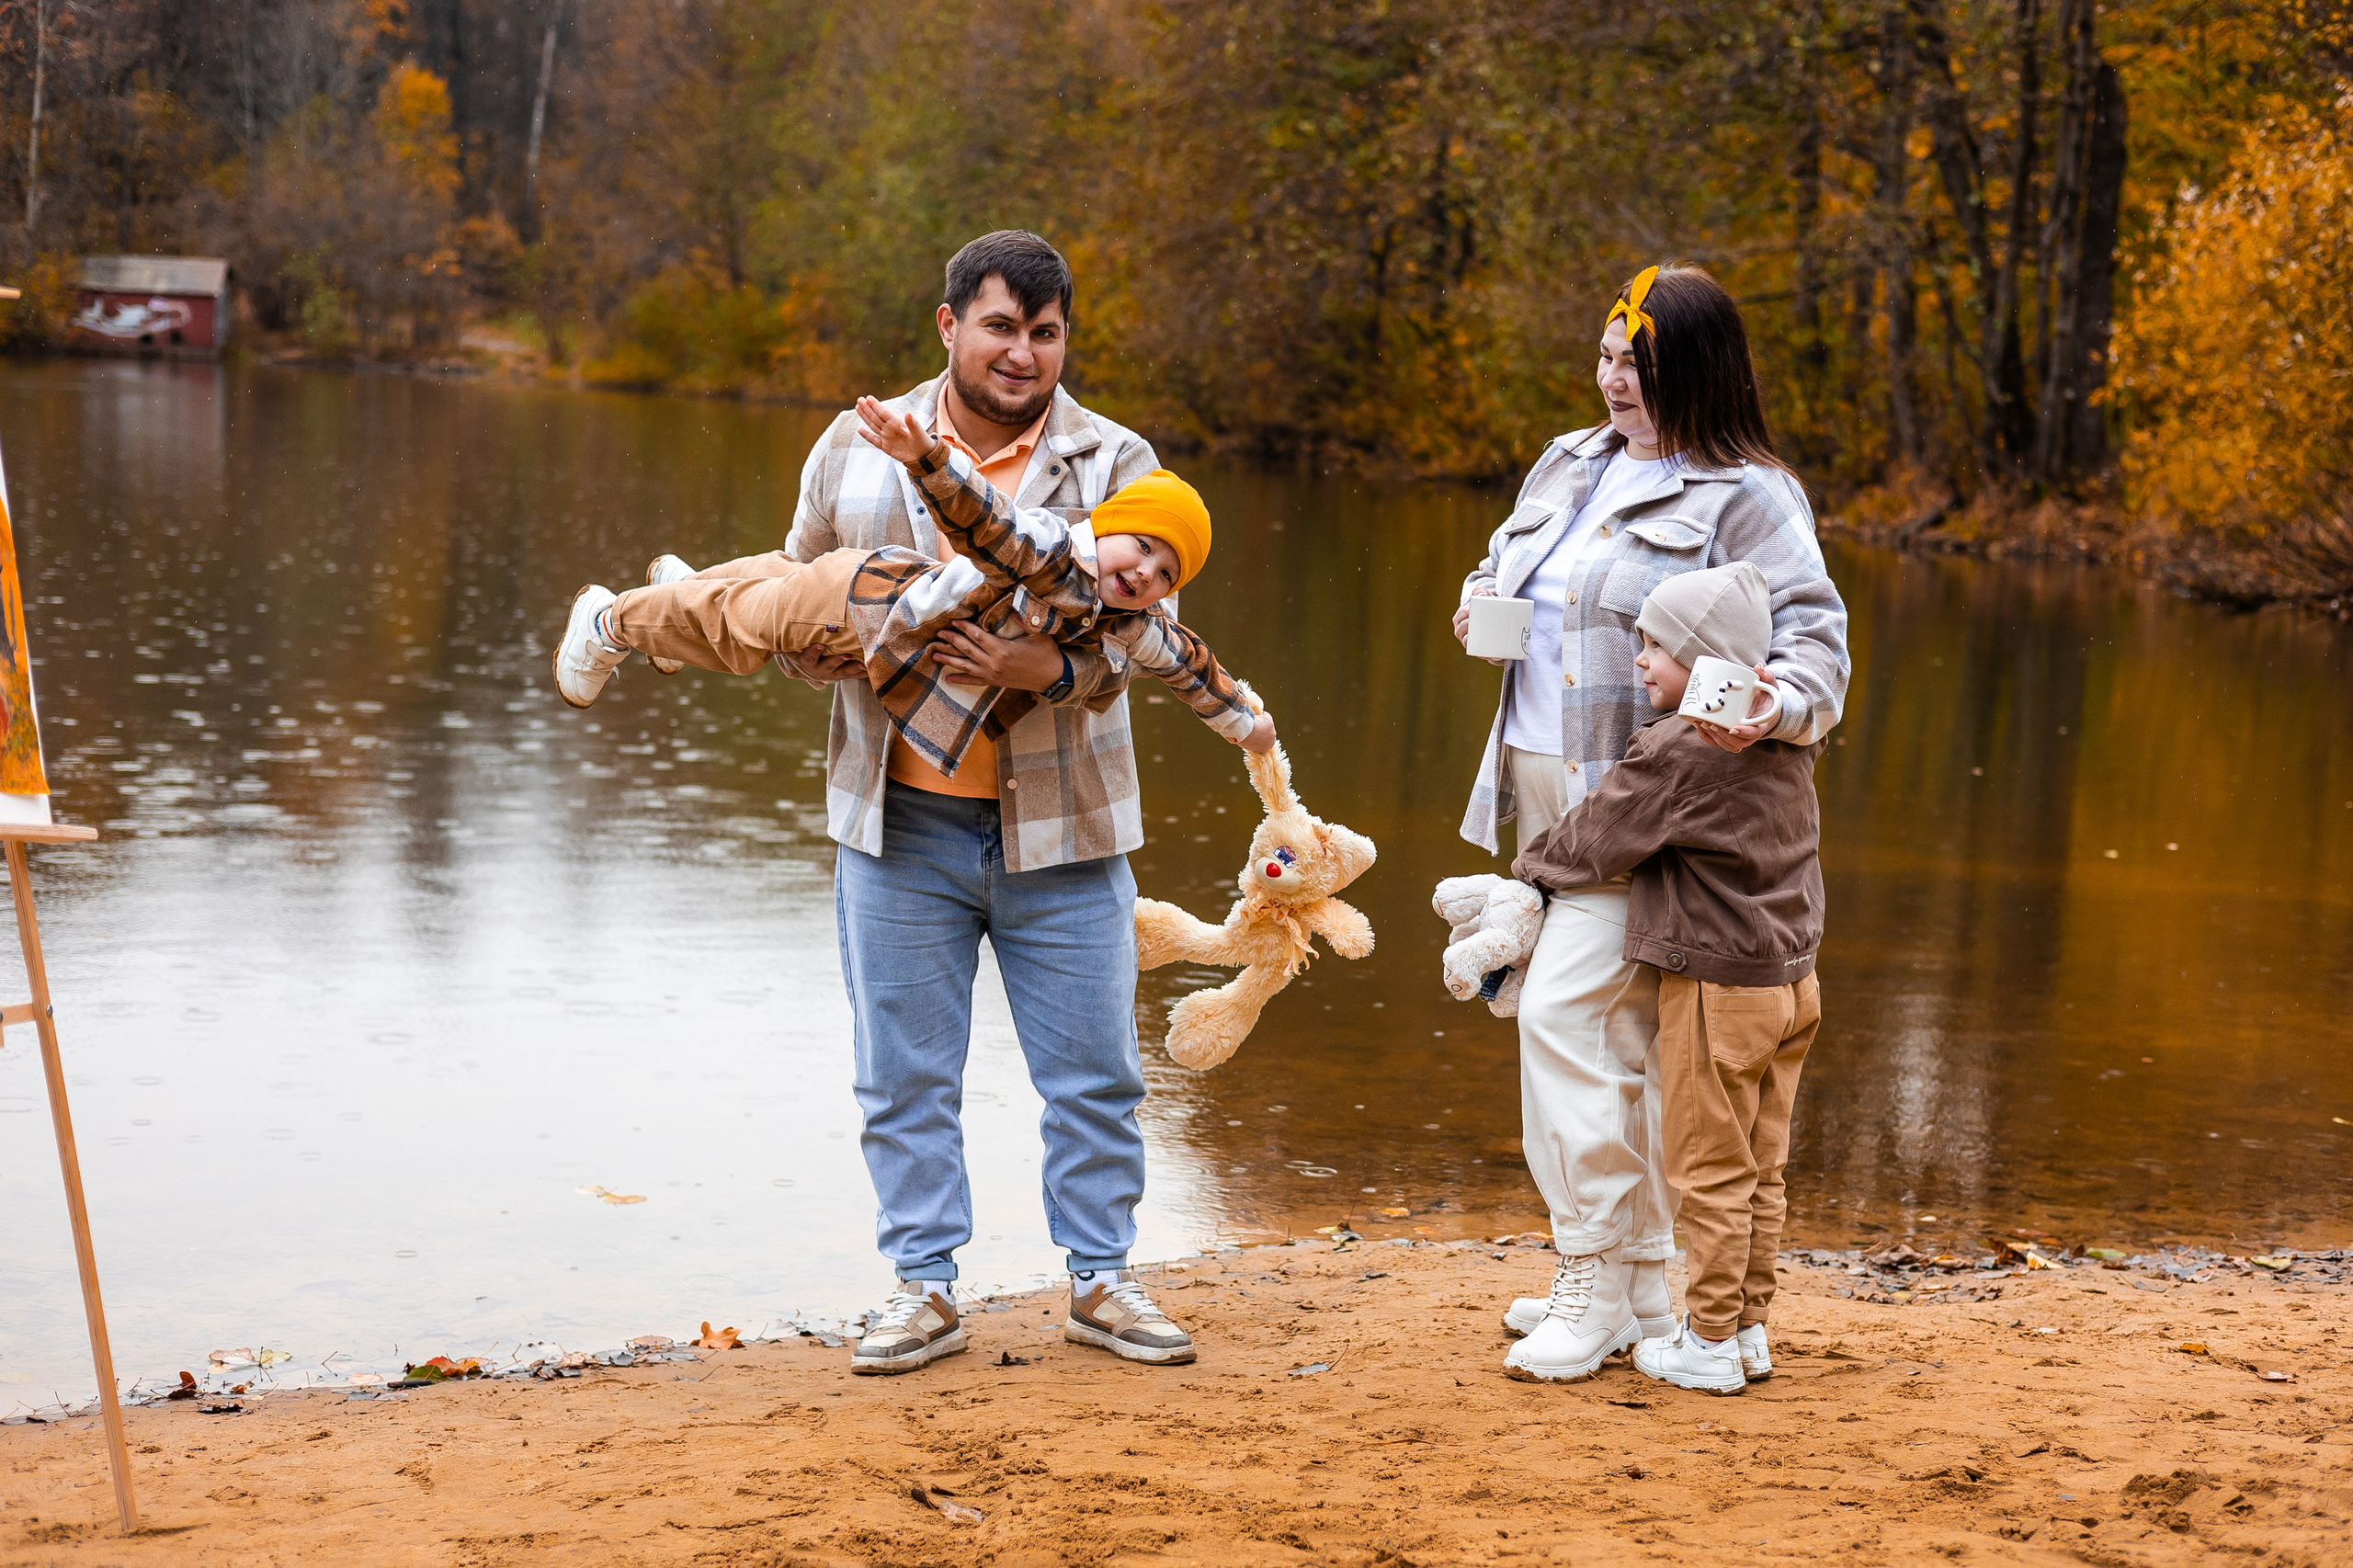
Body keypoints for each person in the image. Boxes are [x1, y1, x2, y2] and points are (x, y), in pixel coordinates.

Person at [763, 231, 1199, 1374]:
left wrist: (1040, 673)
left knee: (1097, 1070)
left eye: (1045, 333)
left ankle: (1100, 1276)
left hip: (1067, 827)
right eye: (1001, 326)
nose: (1022, 353)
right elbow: (789, 597)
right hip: (895, 823)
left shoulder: (1119, 462)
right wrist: (833, 651)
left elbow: (1140, 644)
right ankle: (923, 1288)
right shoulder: (855, 448)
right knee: (902, 1071)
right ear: (948, 323)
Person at [1452, 263, 1848, 1383]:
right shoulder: (1567, 461)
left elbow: (1818, 643)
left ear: (1699, 368)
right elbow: (1512, 565)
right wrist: (1484, 597)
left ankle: (1591, 1269)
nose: (1614, 380)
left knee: (1567, 1023)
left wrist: (1776, 702)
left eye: (1640, 364)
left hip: (1647, 806)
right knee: (1595, 1035)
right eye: (1607, 356)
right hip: (1536, 781)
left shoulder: (1747, 492)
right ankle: (1628, 1282)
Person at [548, 399, 1278, 770]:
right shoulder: (1052, 551)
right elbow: (985, 521)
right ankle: (611, 620)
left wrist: (1246, 725)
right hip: (864, 603)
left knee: (760, 596)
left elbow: (1188, 667)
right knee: (751, 628)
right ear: (1110, 525)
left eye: (1166, 574)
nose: (1146, 574)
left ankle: (686, 593)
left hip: (876, 622)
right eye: (1144, 547)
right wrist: (929, 459)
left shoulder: (1130, 621)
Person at [1511, 562, 1824, 1394]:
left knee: (1708, 1166)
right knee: (1761, 1164)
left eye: (1656, 645)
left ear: (1711, 662)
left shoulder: (1681, 748)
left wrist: (1525, 873)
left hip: (1717, 985)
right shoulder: (1789, 741)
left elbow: (1598, 838)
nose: (1640, 659)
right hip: (1793, 982)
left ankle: (1709, 1343)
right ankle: (1749, 1330)